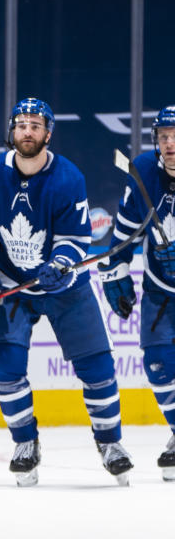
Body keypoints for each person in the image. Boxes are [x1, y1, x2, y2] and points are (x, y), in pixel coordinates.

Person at [0, 97, 133, 486]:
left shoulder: (68, 178)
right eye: (21, 124)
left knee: (98, 367)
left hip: (63, 287)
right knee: (5, 369)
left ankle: (110, 443)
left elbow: (76, 237)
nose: (27, 131)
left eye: (36, 126)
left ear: (47, 134)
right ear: (11, 131)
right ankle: (25, 443)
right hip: (10, 284)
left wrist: (60, 265)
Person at [98, 105, 175, 481]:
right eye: (164, 136)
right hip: (162, 291)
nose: (171, 144)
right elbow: (125, 233)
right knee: (159, 366)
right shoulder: (144, 171)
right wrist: (116, 271)